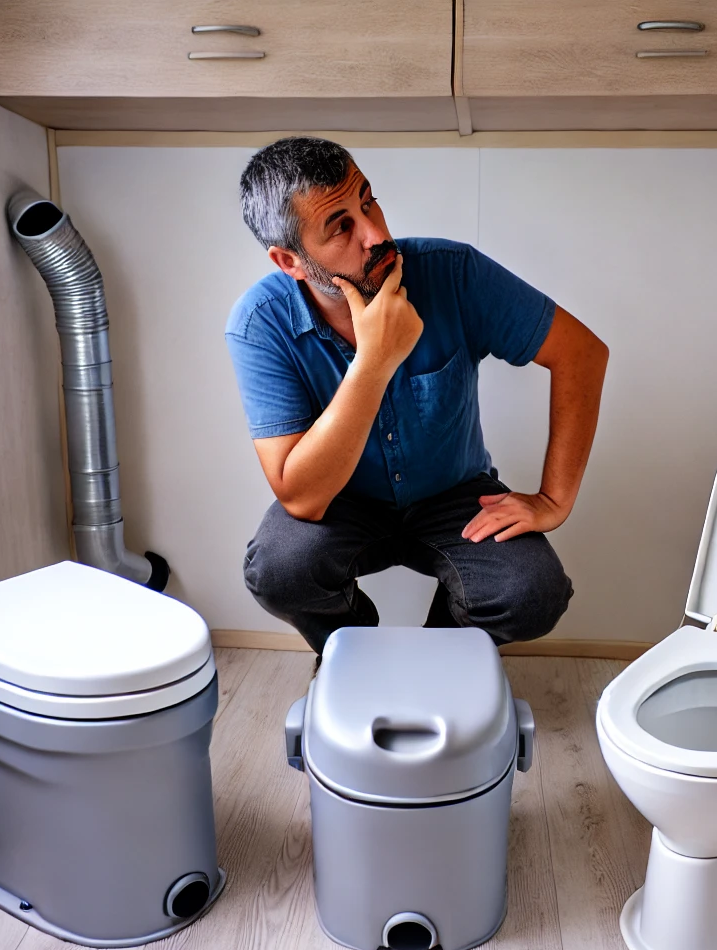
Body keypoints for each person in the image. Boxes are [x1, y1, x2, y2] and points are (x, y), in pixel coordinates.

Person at [226, 136, 608, 655]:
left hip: (454, 496)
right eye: (341, 226)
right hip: (340, 506)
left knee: (533, 593)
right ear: (290, 260)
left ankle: (441, 659)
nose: (378, 234)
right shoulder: (259, 324)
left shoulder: (454, 273)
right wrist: (374, 363)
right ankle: (352, 654)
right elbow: (301, 496)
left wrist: (553, 500)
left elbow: (582, 354)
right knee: (280, 570)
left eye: (368, 201)